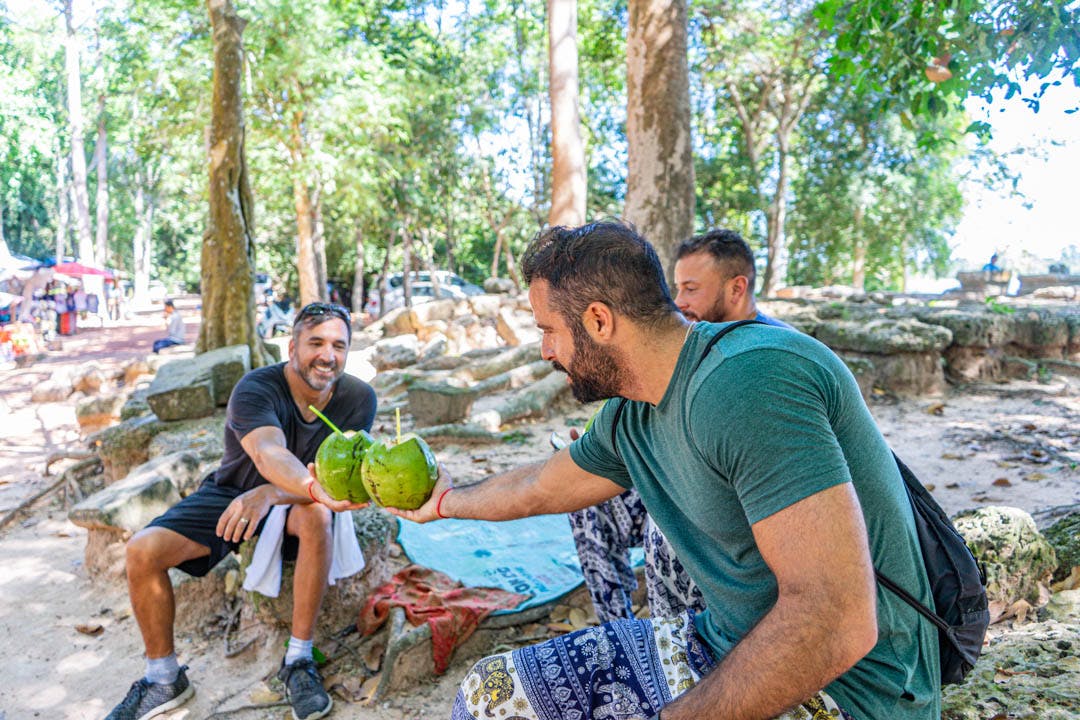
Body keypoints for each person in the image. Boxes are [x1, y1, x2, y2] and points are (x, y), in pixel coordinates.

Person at [333, 221, 938, 720]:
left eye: (549, 330)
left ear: (599, 321)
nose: (545, 350)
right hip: (723, 641)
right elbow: (544, 484)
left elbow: (837, 621)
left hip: (850, 692)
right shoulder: (632, 412)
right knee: (491, 696)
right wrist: (445, 501)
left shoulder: (748, 382)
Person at [105, 302, 376, 720]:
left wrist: (273, 494)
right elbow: (268, 452)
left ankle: (299, 659)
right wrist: (275, 489)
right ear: (292, 347)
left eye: (338, 346)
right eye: (316, 343)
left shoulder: (358, 398)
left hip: (303, 502)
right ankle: (163, 677)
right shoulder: (256, 388)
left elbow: (342, 478)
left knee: (319, 515)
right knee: (143, 550)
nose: (327, 355)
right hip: (234, 491)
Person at [570, 228, 793, 624]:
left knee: (668, 526)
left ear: (736, 288)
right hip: (684, 484)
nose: (679, 302)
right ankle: (619, 631)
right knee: (588, 499)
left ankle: (681, 646)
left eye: (691, 289)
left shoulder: (771, 352)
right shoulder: (685, 348)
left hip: (746, 516)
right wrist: (604, 448)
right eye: (677, 288)